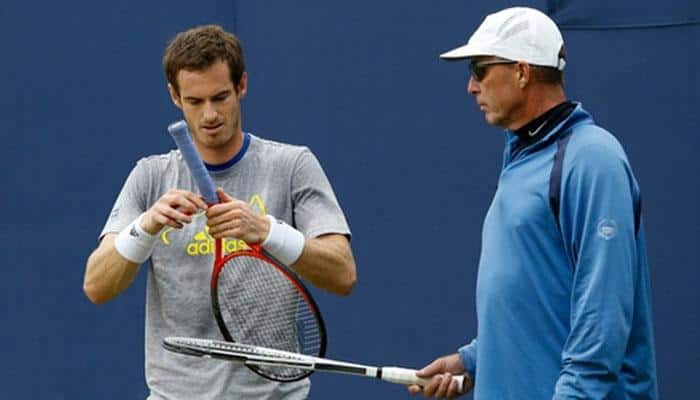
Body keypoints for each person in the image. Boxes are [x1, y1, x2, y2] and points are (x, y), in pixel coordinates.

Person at [83, 25, 357, 400]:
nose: (210, 114)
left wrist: (266, 230)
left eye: (220, 97)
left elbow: (343, 273)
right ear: (174, 97)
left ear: (242, 86)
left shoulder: (293, 165)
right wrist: (145, 226)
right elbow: (96, 286)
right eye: (195, 101)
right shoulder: (149, 176)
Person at [408, 7, 658, 399]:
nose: (471, 86)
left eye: (479, 69)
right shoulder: (523, 156)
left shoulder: (593, 158)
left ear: (522, 73)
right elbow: (539, 296)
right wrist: (475, 360)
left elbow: (603, 318)